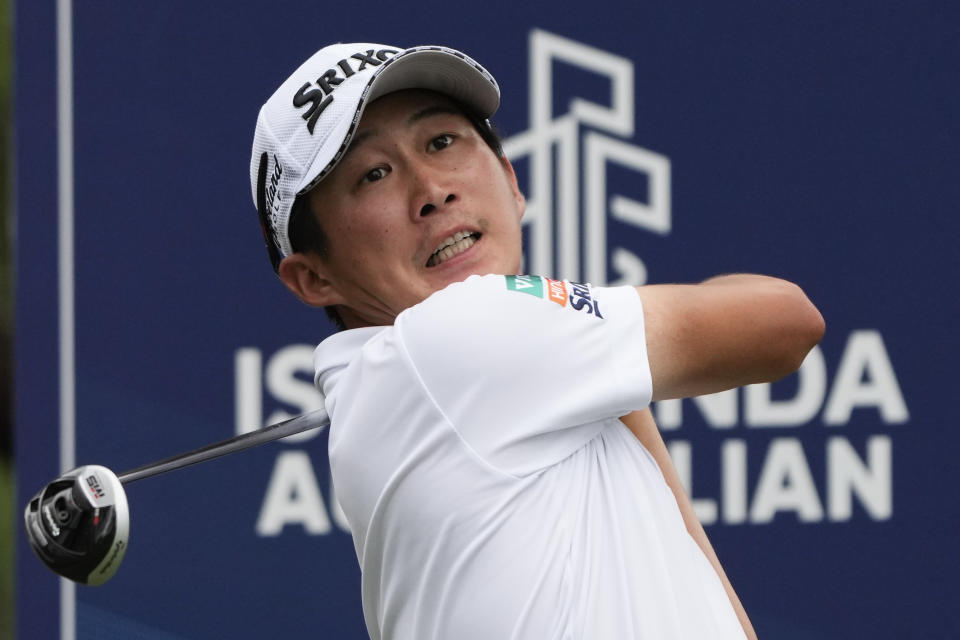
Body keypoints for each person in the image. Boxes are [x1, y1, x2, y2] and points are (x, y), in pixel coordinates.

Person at [249, 42, 824, 640]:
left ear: (510, 178)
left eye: (441, 142)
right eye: (373, 175)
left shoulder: (469, 374)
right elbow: (785, 320)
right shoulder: (452, 339)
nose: (431, 190)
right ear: (314, 277)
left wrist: (592, 336)